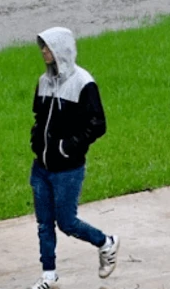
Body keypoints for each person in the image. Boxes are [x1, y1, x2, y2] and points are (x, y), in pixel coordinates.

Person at [28, 26, 119, 289]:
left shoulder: (84, 83)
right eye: (42, 47)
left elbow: (98, 124)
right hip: (41, 167)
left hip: (68, 169)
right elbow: (39, 117)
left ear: (60, 49)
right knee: (44, 224)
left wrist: (68, 147)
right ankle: (49, 276)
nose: (43, 51)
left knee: (66, 222)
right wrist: (36, 140)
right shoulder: (43, 81)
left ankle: (106, 243)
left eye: (47, 47)